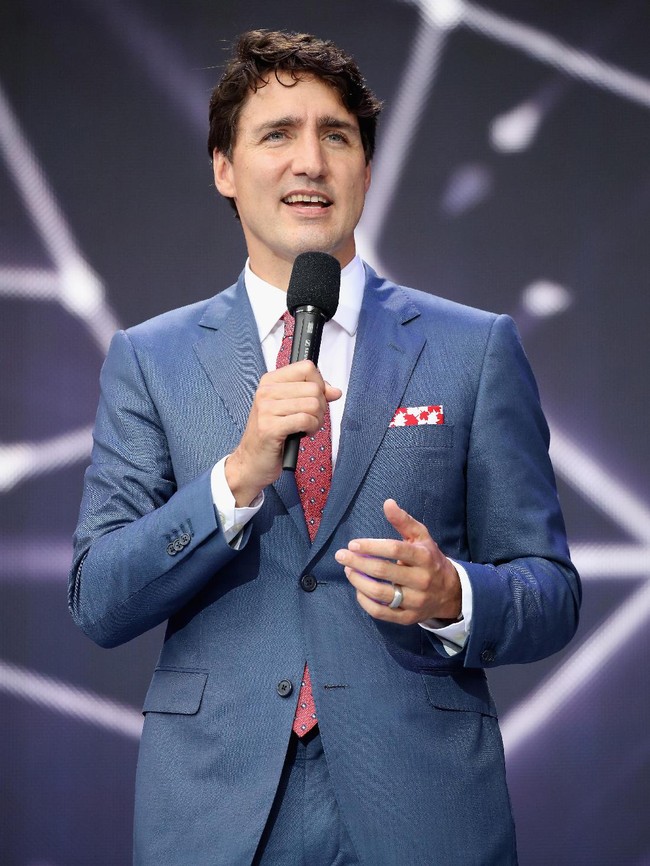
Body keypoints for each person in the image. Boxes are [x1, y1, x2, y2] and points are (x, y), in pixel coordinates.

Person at [69, 29, 581, 866]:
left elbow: (549, 589)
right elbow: (98, 599)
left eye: (335, 135)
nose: (310, 161)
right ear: (224, 170)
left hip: (420, 807)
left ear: (366, 169)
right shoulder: (150, 359)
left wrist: (455, 594)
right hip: (215, 811)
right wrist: (233, 483)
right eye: (277, 134)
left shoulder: (473, 348)